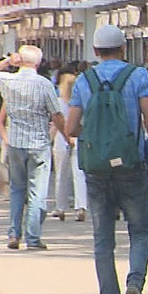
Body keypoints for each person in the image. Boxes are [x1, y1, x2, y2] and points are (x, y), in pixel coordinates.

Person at [66, 24, 148, 294]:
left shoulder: (84, 80)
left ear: (95, 51)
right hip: (131, 166)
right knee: (140, 231)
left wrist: (96, 138)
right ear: (124, 48)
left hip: (96, 169)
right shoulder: (138, 76)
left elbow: (71, 128)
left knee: (103, 240)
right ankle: (135, 282)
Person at [0, 46, 66, 251]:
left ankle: (14, 233)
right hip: (38, 143)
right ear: (38, 63)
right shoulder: (44, 84)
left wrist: (8, 62)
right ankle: (33, 236)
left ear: (20, 60)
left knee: (17, 189)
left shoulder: (8, 80)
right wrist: (67, 136)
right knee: (37, 192)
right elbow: (56, 114)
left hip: (15, 142)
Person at [50, 69, 87, 222]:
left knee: (61, 174)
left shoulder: (58, 102)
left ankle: (61, 207)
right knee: (79, 174)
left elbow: (55, 123)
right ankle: (81, 206)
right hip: (78, 136)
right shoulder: (80, 102)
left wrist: (50, 139)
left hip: (61, 138)